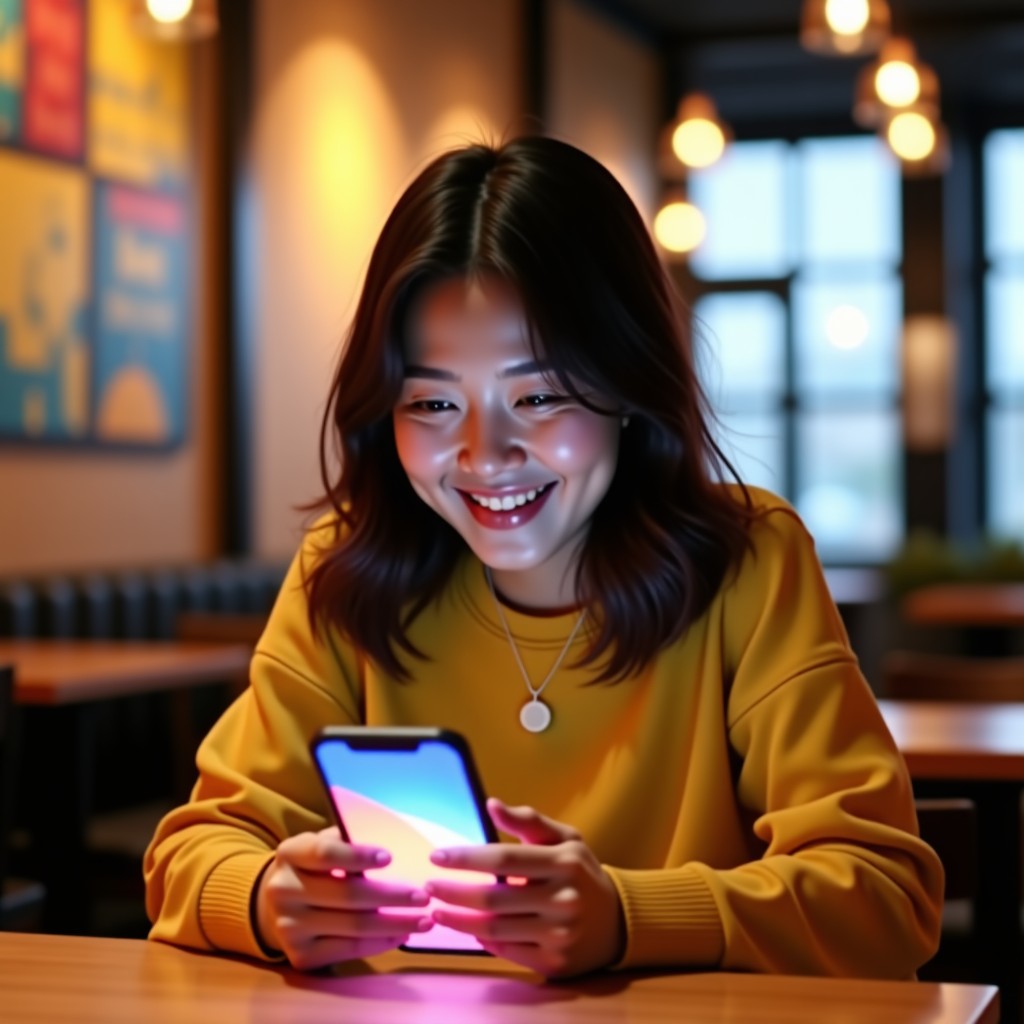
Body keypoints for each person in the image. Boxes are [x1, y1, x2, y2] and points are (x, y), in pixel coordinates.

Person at [144, 136, 943, 980]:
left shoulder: (748, 563)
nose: (486, 454)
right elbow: (191, 854)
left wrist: (627, 918)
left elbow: (885, 896)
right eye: (434, 402)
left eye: (539, 395)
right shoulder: (349, 570)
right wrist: (269, 896)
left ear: (628, 386)